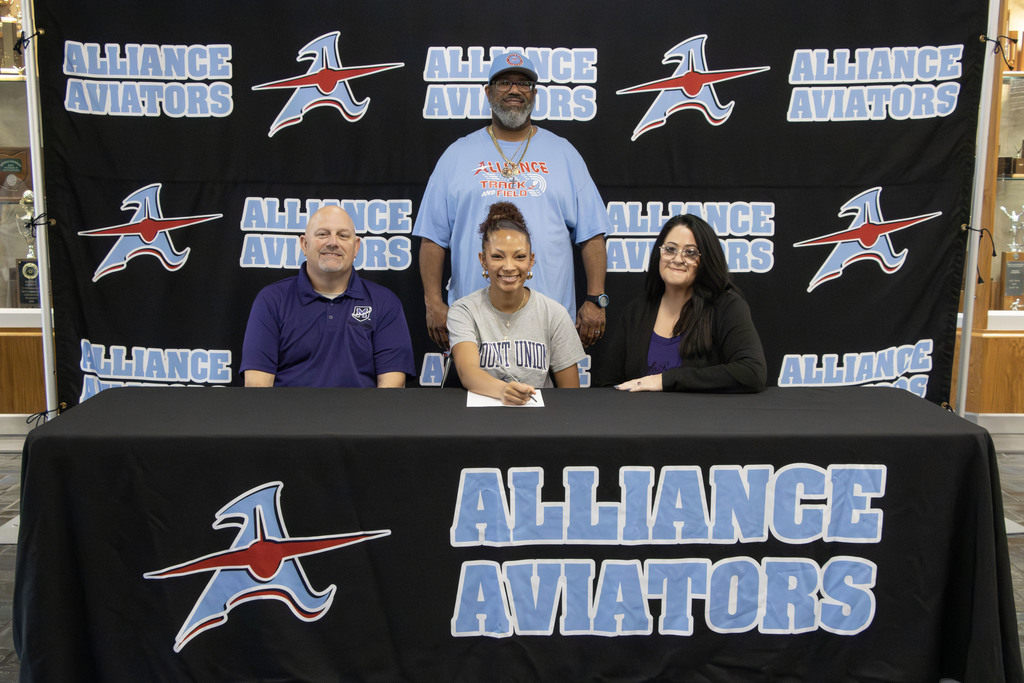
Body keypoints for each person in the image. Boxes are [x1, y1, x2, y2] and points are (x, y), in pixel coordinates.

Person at [414, 50, 611, 351]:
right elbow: (433, 238)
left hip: (550, 321)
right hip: (474, 322)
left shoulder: (564, 153)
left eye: (524, 84)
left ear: (534, 93)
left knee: (556, 400)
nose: (515, 90)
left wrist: (596, 298)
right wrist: (433, 303)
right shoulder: (457, 154)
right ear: (488, 92)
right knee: (474, 397)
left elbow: (592, 234)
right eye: (504, 82)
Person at [240, 205, 414, 387]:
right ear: (304, 244)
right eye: (322, 234)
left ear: (356, 247)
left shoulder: (385, 302)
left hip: (362, 415)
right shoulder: (272, 300)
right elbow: (257, 387)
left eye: (343, 235)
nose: (333, 242)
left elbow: (391, 388)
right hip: (288, 415)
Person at [595, 214, 767, 393]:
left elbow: (752, 372)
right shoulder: (636, 311)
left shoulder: (727, 306)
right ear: (659, 254)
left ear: (705, 260)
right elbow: (608, 383)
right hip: (642, 419)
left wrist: (665, 380)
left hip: (702, 419)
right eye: (670, 249)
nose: (677, 259)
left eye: (690, 252)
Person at [447, 202, 586, 405]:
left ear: (531, 260)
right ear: (483, 260)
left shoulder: (554, 313)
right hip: (479, 423)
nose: (509, 266)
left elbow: (572, 395)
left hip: (539, 424)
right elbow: (467, 371)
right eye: (497, 256)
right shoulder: (464, 310)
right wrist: (504, 391)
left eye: (519, 257)